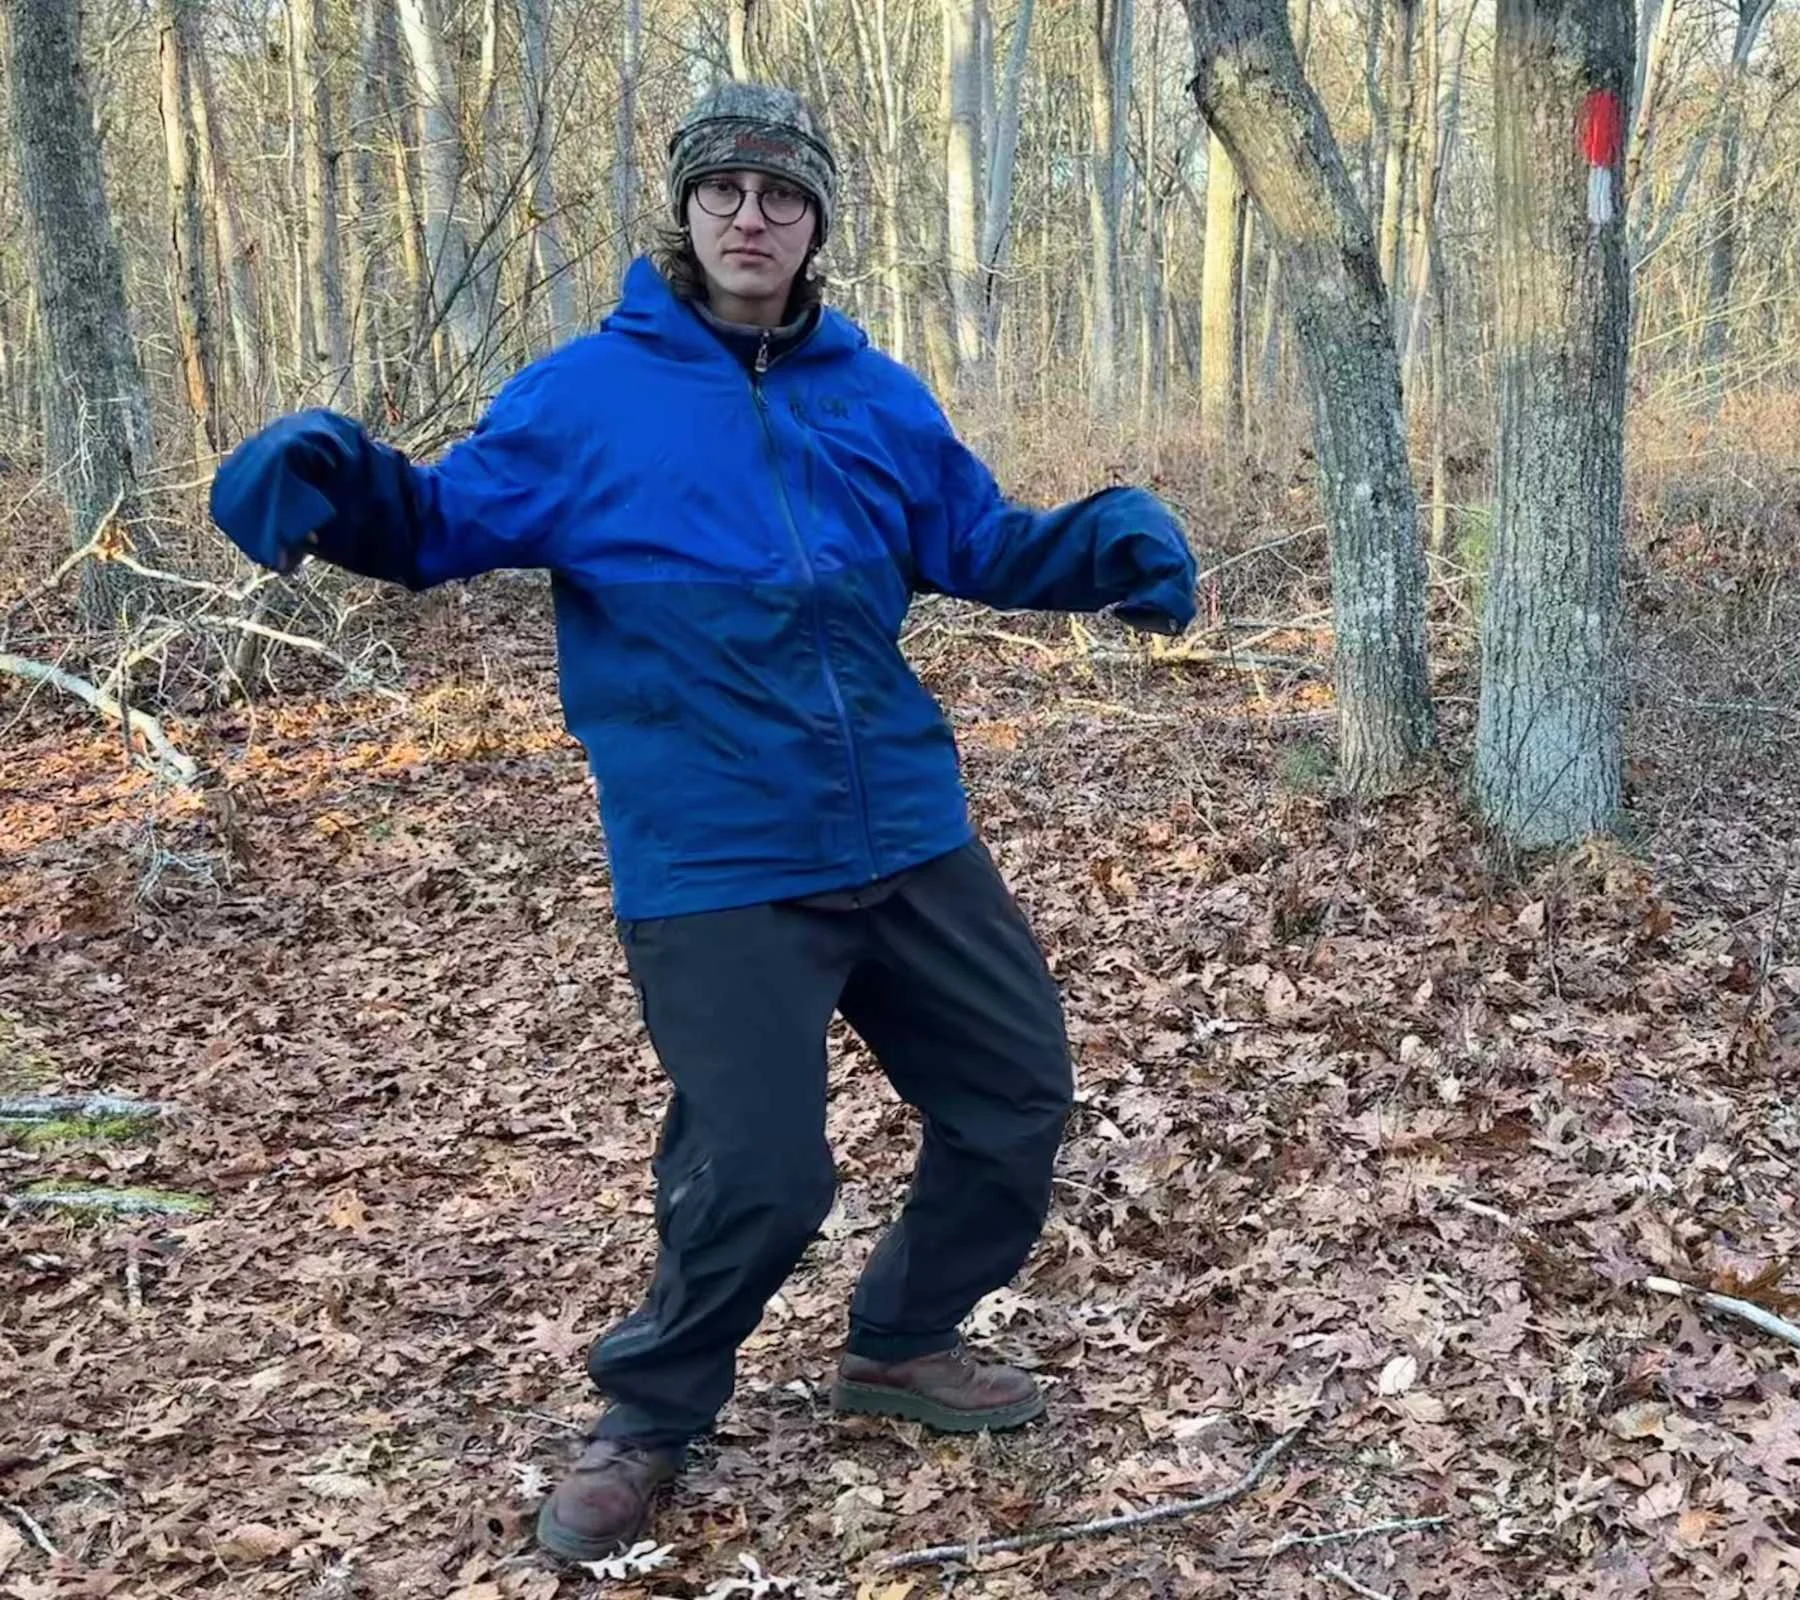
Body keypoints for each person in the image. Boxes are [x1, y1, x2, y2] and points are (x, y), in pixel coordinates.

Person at [206, 83, 1196, 1562]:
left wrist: (1100, 541)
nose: (750, 216)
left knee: (1015, 1099)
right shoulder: (584, 399)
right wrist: (335, 477)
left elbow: (973, 541)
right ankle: (648, 1417)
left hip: (903, 828)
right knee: (762, 1171)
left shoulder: (875, 396)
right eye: (724, 190)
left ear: (815, 229)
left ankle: (902, 1339)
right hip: (717, 853)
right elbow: (432, 527)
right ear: (683, 212)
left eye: (780, 197)